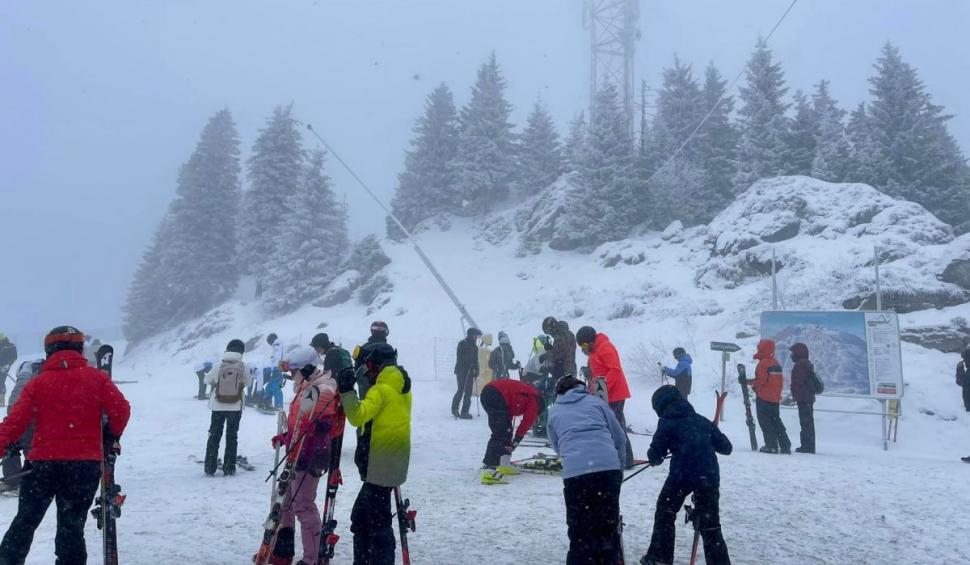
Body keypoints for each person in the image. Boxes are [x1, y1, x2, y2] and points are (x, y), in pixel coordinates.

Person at [0, 326, 130, 564]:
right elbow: (121, 411)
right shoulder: (97, 378)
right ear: (80, 349)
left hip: (42, 466)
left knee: (25, 522)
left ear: (49, 350)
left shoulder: (37, 383)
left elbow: (13, 424)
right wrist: (111, 436)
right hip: (84, 467)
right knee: (71, 528)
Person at [336, 343, 412, 565]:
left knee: (377, 524)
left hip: (380, 465)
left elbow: (357, 416)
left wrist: (347, 391)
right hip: (392, 461)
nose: (367, 371)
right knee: (361, 517)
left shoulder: (381, 390)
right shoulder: (400, 385)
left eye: (369, 366)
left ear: (378, 366)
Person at [641, 385, 731, 565]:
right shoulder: (701, 420)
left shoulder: (667, 422)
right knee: (711, 524)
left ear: (660, 406)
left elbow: (656, 456)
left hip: (682, 475)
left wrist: (656, 456)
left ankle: (660, 557)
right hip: (708, 475)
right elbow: (726, 448)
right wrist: (708, 435)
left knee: (665, 512)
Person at [267, 346, 340, 565]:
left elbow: (310, 422)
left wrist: (296, 439)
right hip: (297, 453)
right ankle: (283, 551)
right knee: (283, 502)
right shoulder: (308, 387)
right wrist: (287, 437)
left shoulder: (319, 389)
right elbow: (301, 423)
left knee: (303, 506)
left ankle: (313, 558)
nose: (291, 377)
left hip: (309, 457)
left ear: (307, 369)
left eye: (293, 372)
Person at [547, 376, 626, 564]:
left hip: (576, 473)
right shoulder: (596, 403)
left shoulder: (554, 411)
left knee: (580, 531)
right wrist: (619, 469)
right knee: (607, 528)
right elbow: (620, 438)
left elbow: (557, 446)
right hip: (608, 468)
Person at [575, 326, 633, 469]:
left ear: (590, 340)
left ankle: (626, 459)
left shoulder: (605, 347)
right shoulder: (593, 351)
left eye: (584, 345)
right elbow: (597, 373)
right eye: (581, 346)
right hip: (605, 394)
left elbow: (615, 369)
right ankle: (615, 456)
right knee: (609, 425)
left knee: (616, 426)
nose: (583, 348)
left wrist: (603, 388)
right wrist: (592, 388)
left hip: (614, 394)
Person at [203, 339, 253, 476]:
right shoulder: (243, 366)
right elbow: (248, 383)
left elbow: (206, 380)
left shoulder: (218, 365)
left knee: (214, 435)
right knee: (232, 436)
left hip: (218, 405)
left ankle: (209, 467)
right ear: (241, 352)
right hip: (235, 407)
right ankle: (229, 467)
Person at [479, 378, 544, 481]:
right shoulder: (535, 401)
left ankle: (504, 464)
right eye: (537, 418)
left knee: (505, 431)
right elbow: (526, 423)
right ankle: (490, 470)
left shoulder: (528, 393)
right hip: (496, 394)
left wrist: (512, 441)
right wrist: (516, 442)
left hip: (489, 392)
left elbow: (510, 413)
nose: (536, 422)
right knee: (501, 433)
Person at [0, 358, 43, 494]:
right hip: (43, 414)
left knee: (12, 444)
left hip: (24, 413)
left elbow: (16, 397)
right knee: (32, 447)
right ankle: (37, 479)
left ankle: (14, 481)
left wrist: (13, 415)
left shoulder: (26, 371)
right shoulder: (46, 370)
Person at [743, 339, 791, 454]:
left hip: (764, 398)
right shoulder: (776, 363)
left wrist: (746, 382)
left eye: (759, 347)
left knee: (765, 422)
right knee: (776, 421)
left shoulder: (763, 363)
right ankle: (785, 445)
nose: (758, 349)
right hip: (775, 398)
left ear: (763, 348)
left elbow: (760, 381)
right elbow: (775, 382)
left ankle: (771, 446)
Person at [788, 343, 817, 454]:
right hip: (807, 397)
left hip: (804, 398)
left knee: (806, 423)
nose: (792, 355)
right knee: (808, 422)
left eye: (793, 352)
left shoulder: (800, 365)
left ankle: (807, 447)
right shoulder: (806, 363)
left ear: (798, 353)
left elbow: (799, 382)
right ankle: (809, 446)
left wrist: (794, 391)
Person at [352, 321, 390, 400]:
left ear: (372, 331)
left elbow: (356, 370)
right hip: (385, 393)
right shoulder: (388, 349)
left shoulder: (362, 349)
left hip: (366, 393)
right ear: (386, 333)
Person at [452, 327, 481, 419]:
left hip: (470, 371)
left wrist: (476, 370)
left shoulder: (475, 347)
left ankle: (465, 412)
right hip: (461, 371)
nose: (476, 338)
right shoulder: (462, 344)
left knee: (468, 392)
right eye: (475, 336)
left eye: (477, 337)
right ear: (470, 335)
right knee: (461, 389)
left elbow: (476, 360)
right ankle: (455, 409)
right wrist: (468, 363)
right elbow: (460, 357)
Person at [264, 333, 285, 411]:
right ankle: (267, 401)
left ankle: (279, 405)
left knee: (276, 387)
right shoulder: (277, 345)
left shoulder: (277, 344)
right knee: (269, 386)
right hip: (275, 369)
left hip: (277, 370)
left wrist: (276, 368)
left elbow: (278, 357)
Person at [0, 333, 16, 408]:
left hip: (5, 367)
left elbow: (14, 356)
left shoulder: (10, 346)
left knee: (1, 382)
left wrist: (7, 365)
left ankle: (1, 401)